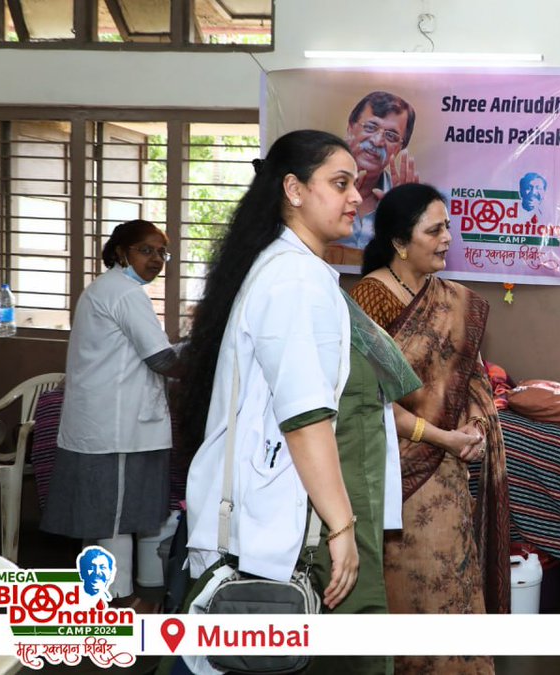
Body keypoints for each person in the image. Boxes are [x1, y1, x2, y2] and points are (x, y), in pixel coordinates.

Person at [178, 130, 419, 675]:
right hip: (285, 525)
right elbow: (305, 416)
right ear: (293, 189)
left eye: (355, 184)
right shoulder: (292, 279)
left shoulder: (301, 271)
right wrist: (341, 529)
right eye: (339, 184)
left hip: (291, 513)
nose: (356, 197)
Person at [350, 182, 511, 675]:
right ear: (401, 242)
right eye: (434, 229)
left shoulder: (453, 300)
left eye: (448, 227)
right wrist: (443, 437)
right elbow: (366, 405)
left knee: (454, 583)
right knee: (408, 588)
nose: (447, 238)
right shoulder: (368, 300)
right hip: (394, 476)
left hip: (450, 473)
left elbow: (474, 381)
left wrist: (478, 426)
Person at [43, 219, 179, 611]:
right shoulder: (125, 293)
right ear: (121, 252)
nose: (156, 259)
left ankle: (134, 593)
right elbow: (161, 359)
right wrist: (206, 364)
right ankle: (120, 603)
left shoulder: (109, 289)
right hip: (116, 426)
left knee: (126, 512)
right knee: (114, 517)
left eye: (161, 252)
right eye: (146, 250)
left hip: (117, 423)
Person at [327, 91, 420, 266]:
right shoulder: (317, 188)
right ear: (350, 128)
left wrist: (409, 220)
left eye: (391, 136)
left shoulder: (402, 200)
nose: (378, 141)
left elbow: (414, 265)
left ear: (400, 148)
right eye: (370, 127)